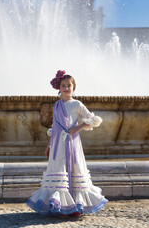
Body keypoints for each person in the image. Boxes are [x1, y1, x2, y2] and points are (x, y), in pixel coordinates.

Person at [26, 70, 108, 217]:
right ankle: (61, 205)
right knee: (59, 171)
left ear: (73, 88)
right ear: (59, 88)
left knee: (74, 170)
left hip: (72, 143)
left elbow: (95, 120)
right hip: (58, 144)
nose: (66, 88)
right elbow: (55, 127)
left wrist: (80, 127)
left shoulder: (77, 104)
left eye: (69, 85)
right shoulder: (57, 105)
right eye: (63, 85)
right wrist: (49, 145)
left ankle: (75, 205)